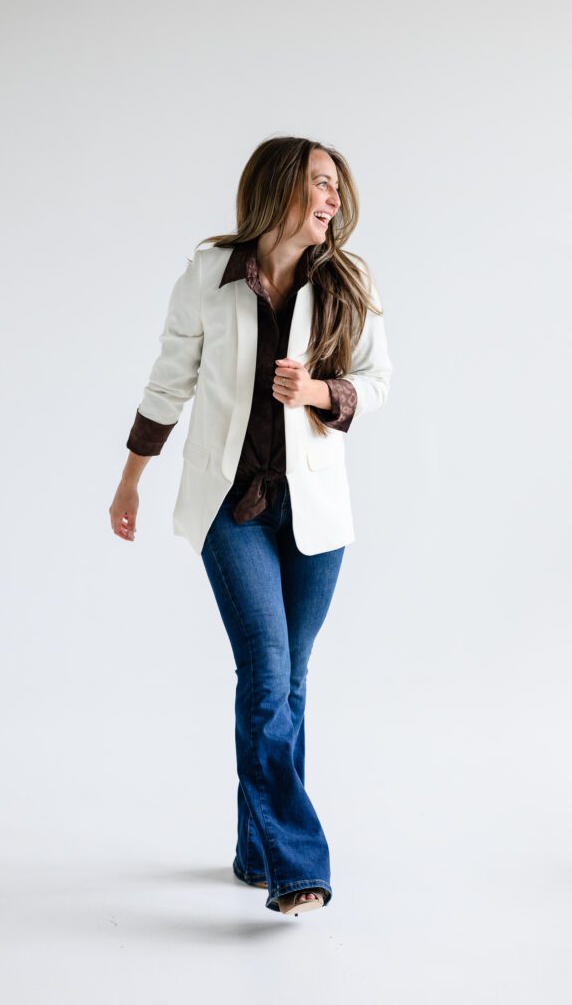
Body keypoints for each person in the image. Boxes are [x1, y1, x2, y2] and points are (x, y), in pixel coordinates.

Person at [109, 136, 392, 916]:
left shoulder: (347, 279)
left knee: (288, 683)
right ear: (278, 190)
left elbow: (377, 381)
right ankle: (296, 865)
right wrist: (130, 480)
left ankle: (255, 852)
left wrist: (319, 393)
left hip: (315, 514)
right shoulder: (209, 275)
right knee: (267, 674)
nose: (332, 200)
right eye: (319, 184)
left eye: (336, 188)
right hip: (230, 508)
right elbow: (168, 383)